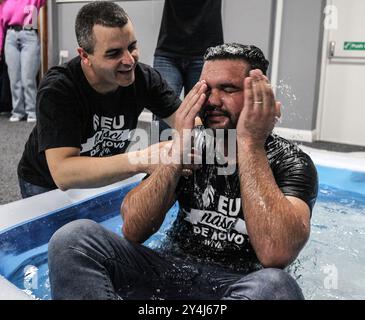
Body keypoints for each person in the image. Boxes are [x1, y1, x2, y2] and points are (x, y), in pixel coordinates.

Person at [48, 43, 318, 300]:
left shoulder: (290, 161)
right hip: (170, 271)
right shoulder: (192, 146)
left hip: (239, 285)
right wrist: (174, 158)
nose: (212, 100)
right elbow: (133, 229)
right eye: (205, 88)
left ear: (258, 95)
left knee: (276, 287)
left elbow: (276, 253)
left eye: (227, 88)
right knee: (72, 239)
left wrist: (249, 144)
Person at [17, 2, 182, 198]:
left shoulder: (144, 78)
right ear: (85, 56)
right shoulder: (58, 89)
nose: (129, 61)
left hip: (99, 175)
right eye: (114, 53)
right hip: (45, 182)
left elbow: (186, 122)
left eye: (132, 46)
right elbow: (63, 172)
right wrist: (143, 159)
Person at [153, 0, 223, 133]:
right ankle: (163, 153)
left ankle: (198, 153)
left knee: (203, 116)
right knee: (161, 116)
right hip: (168, 52)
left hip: (206, 54)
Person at [0, 0, 45, 122]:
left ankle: (31, 111)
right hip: (10, 37)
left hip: (29, 34)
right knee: (14, 79)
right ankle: (18, 111)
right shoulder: (5, 3)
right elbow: (0, 27)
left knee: (28, 78)